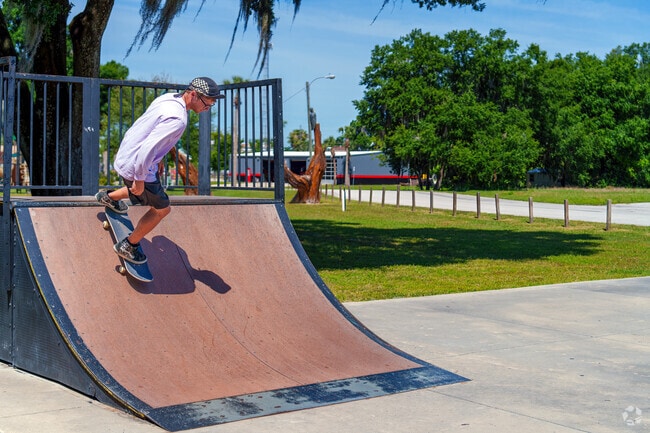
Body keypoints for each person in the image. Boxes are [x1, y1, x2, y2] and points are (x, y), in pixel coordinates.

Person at [96, 77, 225, 264]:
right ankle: (128, 245)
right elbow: (147, 149)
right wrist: (139, 179)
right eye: (208, 103)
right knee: (162, 209)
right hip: (138, 164)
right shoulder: (178, 119)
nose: (208, 108)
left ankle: (108, 197)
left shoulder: (168, 99)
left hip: (127, 154)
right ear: (194, 95)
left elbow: (152, 132)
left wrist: (161, 157)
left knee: (147, 193)